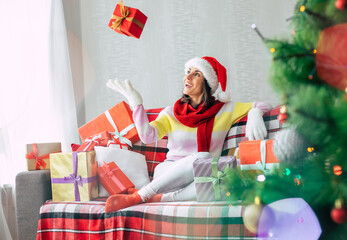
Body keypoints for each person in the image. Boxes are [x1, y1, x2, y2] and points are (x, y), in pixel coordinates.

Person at [104, 56, 272, 213]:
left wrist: (255, 113)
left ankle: (159, 198)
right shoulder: (170, 113)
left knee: (225, 182)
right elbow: (148, 137)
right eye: (188, 72)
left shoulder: (225, 109)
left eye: (196, 73)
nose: (188, 77)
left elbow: (264, 104)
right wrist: (136, 103)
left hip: (202, 178)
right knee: (203, 156)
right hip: (167, 174)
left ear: (206, 83)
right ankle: (140, 195)